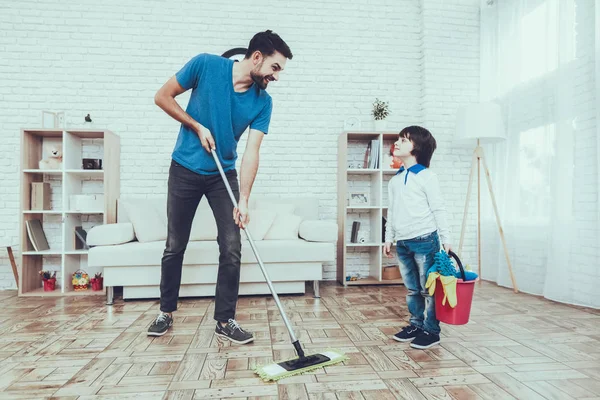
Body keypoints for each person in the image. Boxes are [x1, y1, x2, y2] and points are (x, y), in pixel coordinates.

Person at [147, 30, 293, 344]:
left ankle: (225, 320)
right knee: (175, 245)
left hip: (222, 175)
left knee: (232, 247)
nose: (276, 76)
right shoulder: (205, 65)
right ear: (257, 57)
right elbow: (162, 96)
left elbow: (253, 151)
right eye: (275, 68)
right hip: (184, 168)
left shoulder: (262, 102)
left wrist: (244, 200)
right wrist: (197, 126)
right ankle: (165, 312)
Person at [383, 126, 452, 349]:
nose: (397, 143)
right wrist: (388, 237)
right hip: (403, 242)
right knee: (412, 289)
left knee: (427, 289)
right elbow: (391, 211)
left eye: (404, 140)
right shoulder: (395, 180)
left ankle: (432, 331)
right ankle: (416, 324)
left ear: (417, 147)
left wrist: (446, 238)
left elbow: (438, 208)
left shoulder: (427, 177)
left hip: (425, 240)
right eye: (398, 139)